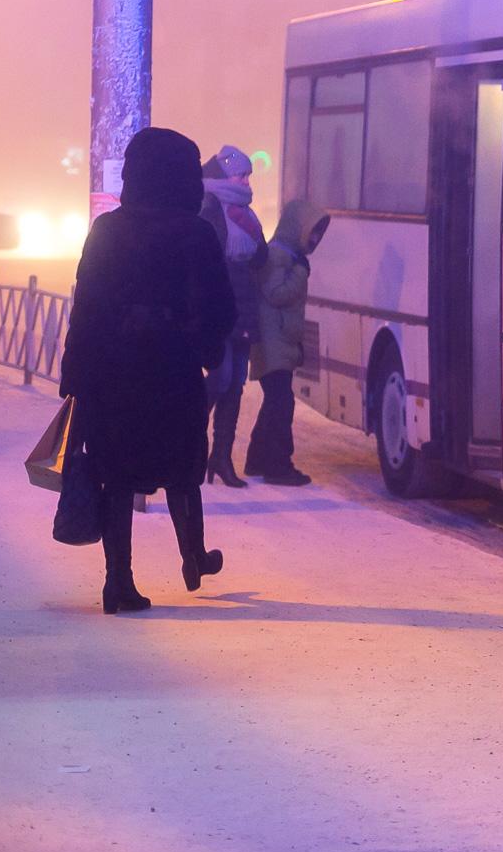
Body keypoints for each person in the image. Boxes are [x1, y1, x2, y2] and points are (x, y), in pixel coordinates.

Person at [61, 128, 236, 614]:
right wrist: (203, 346)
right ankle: (194, 557)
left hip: (111, 378)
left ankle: (118, 581)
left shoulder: (108, 231)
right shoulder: (194, 232)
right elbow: (221, 308)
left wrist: (74, 372)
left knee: (114, 476)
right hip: (173, 375)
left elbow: (86, 305)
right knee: (182, 469)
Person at [245, 198, 329, 485]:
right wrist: (301, 273)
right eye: (312, 231)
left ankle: (258, 460)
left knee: (275, 402)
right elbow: (277, 294)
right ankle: (277, 465)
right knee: (282, 403)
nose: (315, 239)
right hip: (272, 343)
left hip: (280, 342)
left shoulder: (286, 256)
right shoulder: (279, 257)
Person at [199, 145, 267, 486]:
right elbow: (205, 257)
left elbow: (261, 257)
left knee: (236, 385)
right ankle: (192, 445)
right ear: (225, 175)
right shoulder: (209, 205)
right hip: (219, 306)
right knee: (221, 378)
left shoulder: (246, 212)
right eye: (240, 173)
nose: (245, 179)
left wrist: (255, 237)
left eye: (248, 174)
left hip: (244, 305)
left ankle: (221, 459)